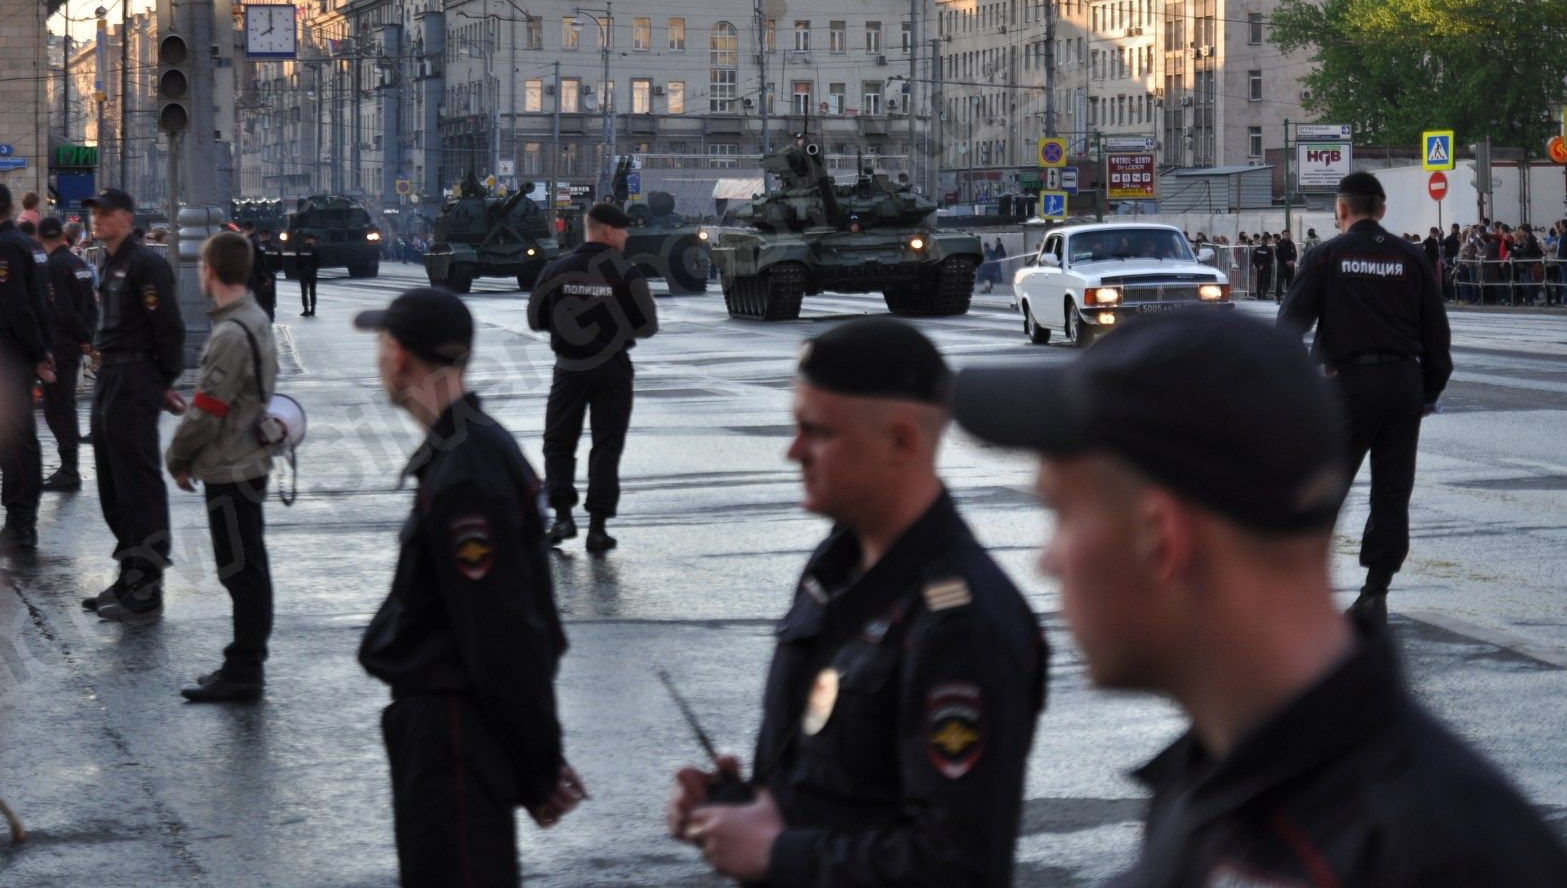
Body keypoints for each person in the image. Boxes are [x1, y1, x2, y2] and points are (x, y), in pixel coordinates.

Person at [948, 310, 1567, 888]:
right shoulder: (1222, 778)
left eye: (1062, 516)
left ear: (1160, 538)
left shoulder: (1431, 859)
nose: (1047, 561)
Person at [666, 318, 1048, 887]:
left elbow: (957, 867)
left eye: (816, 432)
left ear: (901, 442)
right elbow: (843, 790)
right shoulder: (835, 571)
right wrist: (740, 805)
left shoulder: (961, 624)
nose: (792, 452)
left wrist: (777, 853)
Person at [354, 288, 585, 888]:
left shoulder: (465, 475)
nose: (378, 358)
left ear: (400, 356)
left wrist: (536, 767)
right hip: (456, 733)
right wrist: (538, 757)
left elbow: (504, 634)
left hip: (453, 739)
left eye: (382, 344)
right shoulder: (472, 447)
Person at [1277, 171, 1451, 628]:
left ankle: (1300, 591)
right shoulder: (1411, 257)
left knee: (1321, 486)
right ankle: (1376, 590)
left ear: (1341, 210)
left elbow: (1288, 327)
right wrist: (1425, 394)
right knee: (1392, 490)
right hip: (1402, 384)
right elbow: (1438, 340)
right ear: (1383, 210)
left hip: (1347, 385)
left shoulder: (1326, 256)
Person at [165, 231, 279, 703]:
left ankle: (246, 668)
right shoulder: (253, 318)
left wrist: (177, 456)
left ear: (208, 271)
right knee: (246, 565)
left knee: (241, 570)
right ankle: (242, 659)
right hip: (246, 457)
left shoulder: (230, 333)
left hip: (231, 464)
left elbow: (207, 408)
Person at [527, 201, 657, 553]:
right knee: (606, 445)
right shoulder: (626, 273)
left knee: (558, 443)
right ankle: (597, 528)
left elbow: (535, 321)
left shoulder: (556, 269)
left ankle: (563, 518)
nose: (628, 236)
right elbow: (648, 326)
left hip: (569, 368)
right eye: (624, 230)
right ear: (608, 231)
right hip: (612, 369)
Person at [81, 188, 185, 623]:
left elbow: (169, 330)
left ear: (126, 217)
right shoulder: (112, 262)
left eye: (105, 214)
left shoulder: (146, 264)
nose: (96, 220)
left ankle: (147, 584)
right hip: (111, 377)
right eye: (94, 214)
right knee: (112, 482)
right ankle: (129, 572)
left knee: (138, 483)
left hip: (134, 377)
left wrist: (159, 382)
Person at [0, 182, 56, 559]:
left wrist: (38, 351)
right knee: (17, 435)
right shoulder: (31, 245)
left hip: (5, 347)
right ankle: (21, 522)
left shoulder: (6, 246)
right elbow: (38, 303)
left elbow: (17, 305)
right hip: (19, 347)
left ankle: (20, 525)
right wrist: (42, 349)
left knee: (7, 434)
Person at [36, 217, 98, 492]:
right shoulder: (80, 263)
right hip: (74, 344)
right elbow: (91, 306)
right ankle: (68, 467)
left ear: (40, 238)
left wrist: (81, 337)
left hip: (61, 343)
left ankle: (69, 468)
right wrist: (88, 336)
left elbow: (62, 309)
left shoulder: (54, 267)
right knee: (66, 405)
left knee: (56, 407)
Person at [295, 234, 321, 316]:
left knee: (304, 292)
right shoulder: (315, 249)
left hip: (303, 273)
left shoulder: (300, 249)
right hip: (312, 272)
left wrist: (301, 270)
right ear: (312, 240)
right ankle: (312, 309)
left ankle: (305, 309)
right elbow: (319, 262)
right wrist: (313, 268)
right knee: (312, 291)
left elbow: (297, 262)